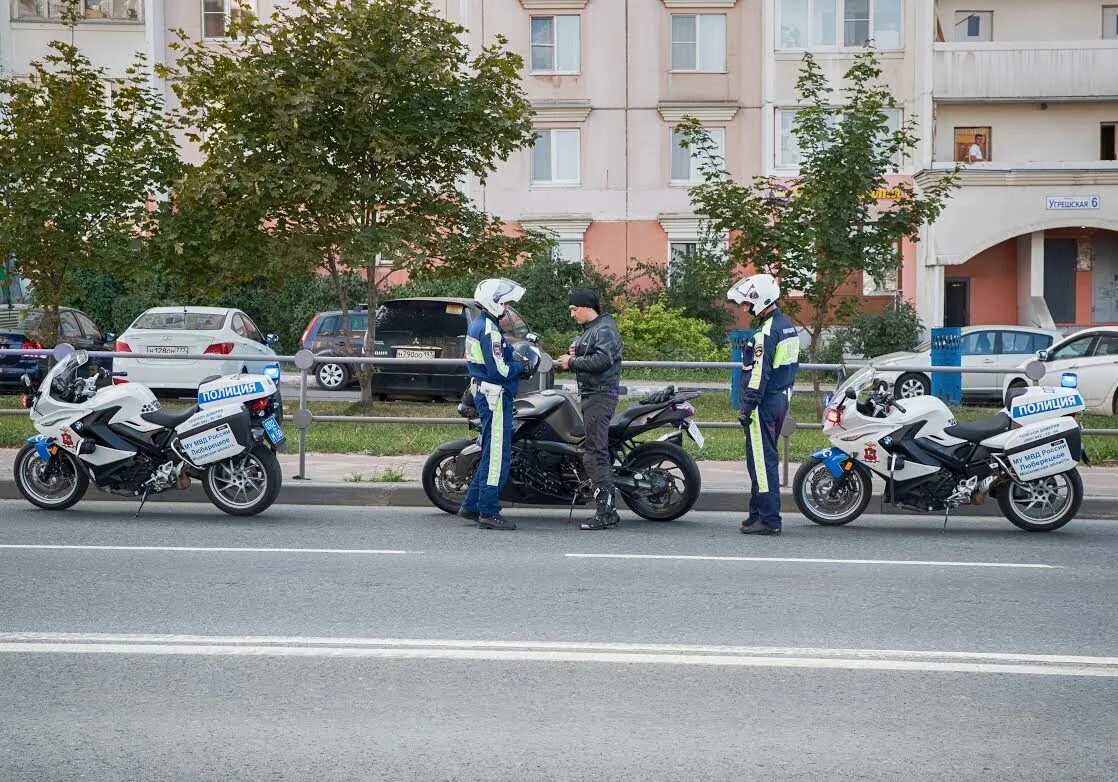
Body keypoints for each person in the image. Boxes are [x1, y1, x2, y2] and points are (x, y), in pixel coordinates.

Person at [729, 274, 800, 536]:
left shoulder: (767, 332)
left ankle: (769, 520)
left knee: (761, 461)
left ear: (761, 300)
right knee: (760, 458)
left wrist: (747, 407)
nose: (745, 308)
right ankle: (756, 513)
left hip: (764, 403)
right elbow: (792, 368)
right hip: (781, 399)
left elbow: (758, 374)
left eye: (747, 302)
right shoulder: (787, 327)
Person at [458, 278, 526, 531]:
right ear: (493, 302)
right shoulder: (488, 329)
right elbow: (499, 369)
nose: (507, 308)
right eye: (505, 303)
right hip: (494, 396)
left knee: (490, 452)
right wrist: (522, 367)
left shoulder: (482, 325)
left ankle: (472, 505)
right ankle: (488, 511)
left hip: (487, 395)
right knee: (497, 455)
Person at [557, 288, 623, 531]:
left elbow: (603, 360)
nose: (572, 314)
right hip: (594, 395)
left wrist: (571, 361)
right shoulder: (595, 329)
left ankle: (607, 512)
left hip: (600, 396)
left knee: (595, 453)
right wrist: (578, 352)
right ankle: (606, 509)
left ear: (586, 307)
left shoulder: (604, 328)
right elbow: (595, 354)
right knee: (594, 450)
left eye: (574, 309)